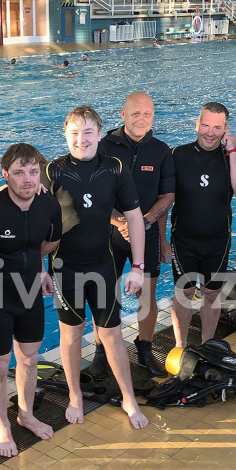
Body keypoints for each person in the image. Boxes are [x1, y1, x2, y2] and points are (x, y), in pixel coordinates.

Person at [44, 105, 149, 430]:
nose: (82, 139)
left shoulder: (114, 168)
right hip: (64, 269)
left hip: (102, 265)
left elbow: (134, 217)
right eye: (75, 133)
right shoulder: (53, 171)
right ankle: (75, 395)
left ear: (100, 134)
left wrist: (137, 266)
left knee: (112, 333)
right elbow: (32, 218)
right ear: (65, 135)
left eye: (88, 132)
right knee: (71, 334)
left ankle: (129, 398)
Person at [0, 143, 62, 455]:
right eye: (19, 172)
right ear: (5, 174)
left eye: (33, 172)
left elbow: (50, 241)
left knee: (30, 358)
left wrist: (40, 268)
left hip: (30, 292)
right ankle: (2, 425)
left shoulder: (48, 205)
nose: (28, 179)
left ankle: (26, 414)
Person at [86, 91, 175, 378]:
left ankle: (145, 348)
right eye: (135, 113)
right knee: (104, 296)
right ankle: (101, 350)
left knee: (147, 296)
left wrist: (144, 223)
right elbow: (91, 190)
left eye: (147, 114)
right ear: (122, 114)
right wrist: (118, 221)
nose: (141, 119)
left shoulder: (161, 151)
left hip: (147, 233)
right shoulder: (103, 147)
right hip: (108, 233)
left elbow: (168, 195)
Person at [168, 103, 236, 349]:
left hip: (218, 243)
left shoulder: (233, 157)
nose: (210, 132)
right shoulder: (178, 155)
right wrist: (162, 239)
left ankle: (207, 345)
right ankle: (181, 346)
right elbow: (164, 197)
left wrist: (233, 151)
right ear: (197, 125)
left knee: (212, 293)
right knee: (183, 293)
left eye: (217, 127)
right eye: (205, 125)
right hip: (183, 241)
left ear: (226, 129)